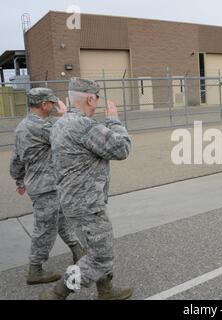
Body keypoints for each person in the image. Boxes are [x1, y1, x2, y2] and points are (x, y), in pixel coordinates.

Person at [40, 78, 133, 300]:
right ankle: (57, 293)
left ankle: (106, 291)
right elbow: (122, 148)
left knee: (98, 248)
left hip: (75, 202)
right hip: (87, 205)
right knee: (100, 256)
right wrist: (113, 120)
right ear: (90, 98)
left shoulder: (61, 123)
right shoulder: (85, 126)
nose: (98, 102)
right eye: (97, 98)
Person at [9, 88, 85, 285]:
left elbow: (16, 158)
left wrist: (19, 180)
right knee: (45, 228)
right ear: (44, 104)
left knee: (59, 220)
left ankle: (78, 251)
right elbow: (68, 135)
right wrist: (67, 114)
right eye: (51, 103)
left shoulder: (22, 126)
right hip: (46, 187)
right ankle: (35, 269)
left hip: (40, 184)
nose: (53, 105)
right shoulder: (41, 127)